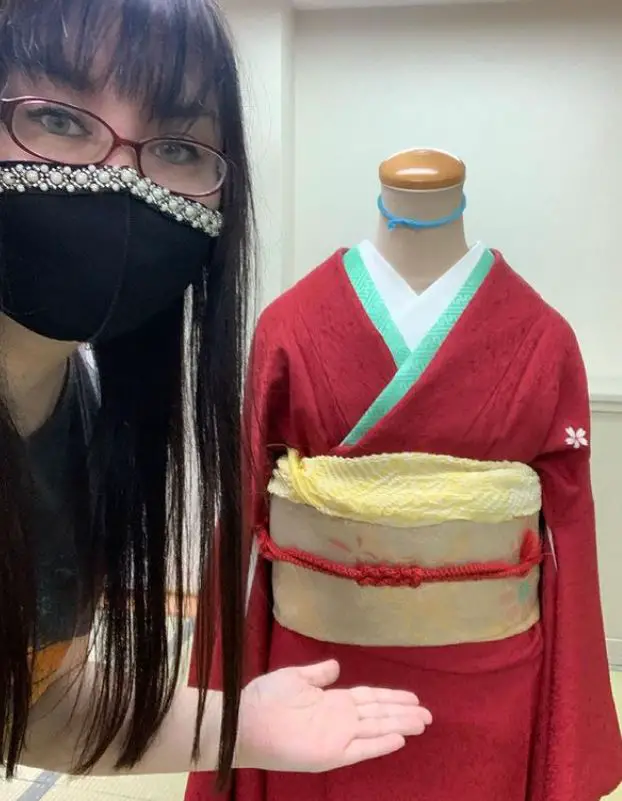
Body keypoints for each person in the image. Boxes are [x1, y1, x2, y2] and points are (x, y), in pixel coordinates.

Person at [0, 0, 433, 787]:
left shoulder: (86, 418)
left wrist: (232, 724)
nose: (119, 175)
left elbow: (31, 704)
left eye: (174, 146)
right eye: (57, 120)